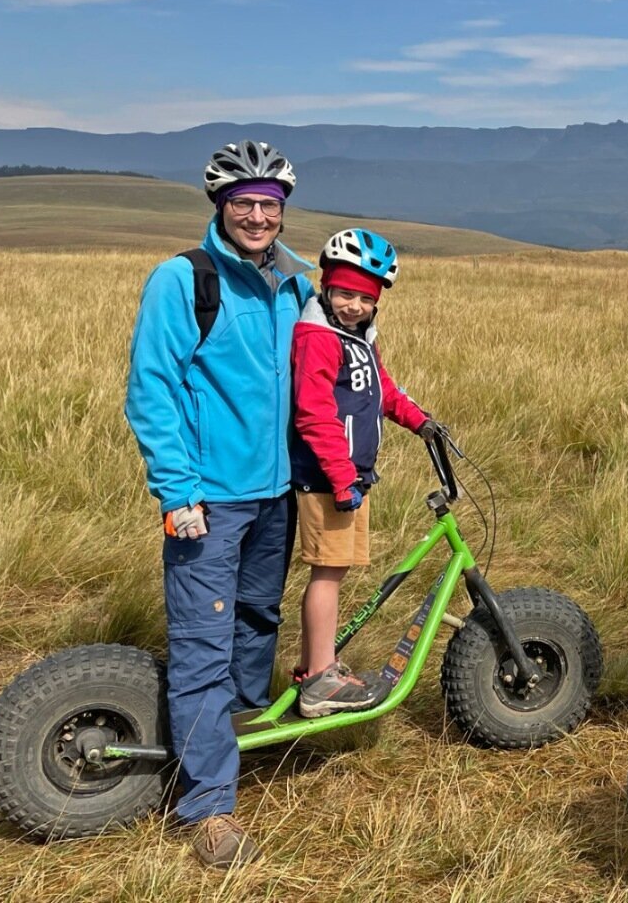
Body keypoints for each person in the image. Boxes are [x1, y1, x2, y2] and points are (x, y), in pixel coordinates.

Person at [125, 140, 313, 868]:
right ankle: (208, 809)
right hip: (210, 499)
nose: (259, 216)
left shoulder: (294, 288)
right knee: (203, 642)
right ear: (220, 208)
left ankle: (222, 746)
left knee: (257, 620)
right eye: (245, 204)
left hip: (276, 495)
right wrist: (178, 494)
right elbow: (152, 390)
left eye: (270, 204)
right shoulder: (183, 281)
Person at [289, 228, 443, 717]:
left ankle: (318, 665)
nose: (354, 304)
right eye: (344, 293)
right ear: (327, 289)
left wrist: (419, 420)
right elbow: (313, 410)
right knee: (327, 575)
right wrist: (339, 476)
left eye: (364, 297)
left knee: (335, 572)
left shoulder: (359, 338)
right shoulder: (320, 338)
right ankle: (318, 681)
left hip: (351, 476)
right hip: (328, 477)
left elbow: (382, 391)